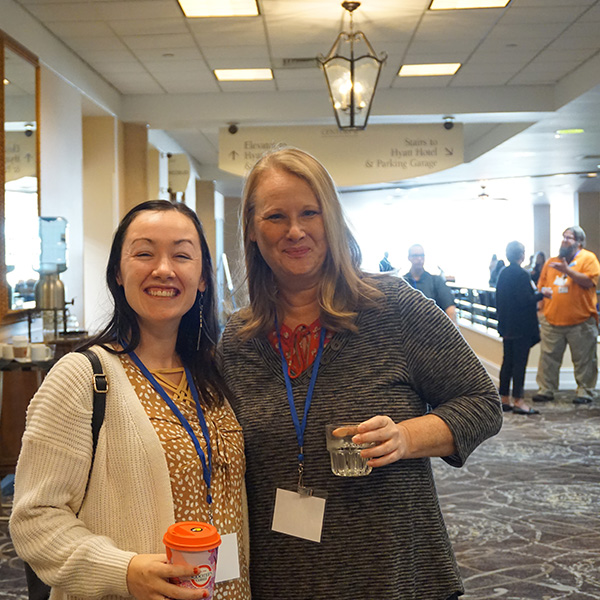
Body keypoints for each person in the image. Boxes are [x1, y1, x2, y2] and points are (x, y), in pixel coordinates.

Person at [219, 147, 502, 600]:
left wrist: (407, 437)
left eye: (309, 213)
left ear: (331, 219)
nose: (295, 231)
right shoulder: (237, 338)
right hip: (281, 574)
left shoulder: (393, 306)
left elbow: (482, 405)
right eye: (276, 217)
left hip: (390, 570)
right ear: (252, 230)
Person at [10, 200, 250, 600]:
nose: (163, 269)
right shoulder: (82, 376)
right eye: (144, 253)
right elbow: (35, 519)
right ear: (118, 273)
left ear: (203, 277)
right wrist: (122, 571)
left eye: (182, 255)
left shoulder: (213, 374)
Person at [533, 226, 600, 405]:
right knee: (548, 359)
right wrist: (541, 311)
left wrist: (567, 270)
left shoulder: (588, 258)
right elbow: (541, 286)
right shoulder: (551, 262)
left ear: (579, 242)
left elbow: (589, 282)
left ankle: (585, 391)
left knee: (585, 360)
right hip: (552, 321)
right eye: (563, 237)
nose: (564, 240)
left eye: (569, 238)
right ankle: (546, 389)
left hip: (581, 321)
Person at [496, 241, 549, 415]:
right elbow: (524, 300)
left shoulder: (502, 273)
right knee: (520, 364)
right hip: (521, 327)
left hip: (508, 326)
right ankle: (519, 401)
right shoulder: (521, 274)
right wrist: (542, 294)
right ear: (522, 255)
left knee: (507, 363)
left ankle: (504, 398)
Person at [404, 243, 457, 323]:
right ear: (409, 258)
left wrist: (454, 328)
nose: (419, 259)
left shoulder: (436, 281)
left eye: (422, 255)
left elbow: (449, 306)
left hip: (434, 328)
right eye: (415, 255)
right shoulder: (403, 282)